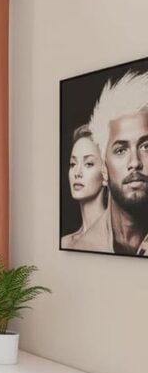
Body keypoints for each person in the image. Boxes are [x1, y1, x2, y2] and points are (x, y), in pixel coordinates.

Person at [72, 71, 148, 256]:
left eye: (146, 147)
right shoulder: (83, 248)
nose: (135, 163)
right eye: (121, 150)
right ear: (104, 169)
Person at [61, 125, 107, 248]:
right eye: (73, 164)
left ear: (105, 175)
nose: (77, 173)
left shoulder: (117, 242)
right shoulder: (65, 243)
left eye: (88, 164)